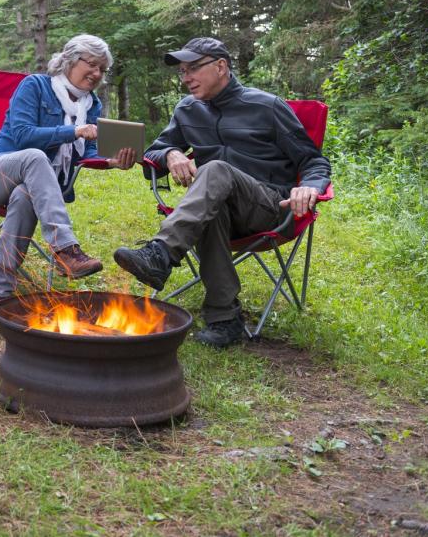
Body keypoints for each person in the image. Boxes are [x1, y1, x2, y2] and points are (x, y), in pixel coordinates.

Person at [112, 37, 331, 347]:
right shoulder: (187, 109)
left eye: (193, 69)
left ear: (221, 66)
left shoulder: (266, 106)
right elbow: (156, 153)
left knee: (213, 169)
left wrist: (309, 187)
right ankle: (224, 319)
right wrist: (172, 153)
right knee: (212, 206)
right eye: (182, 72)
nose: (186, 78)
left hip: (268, 208)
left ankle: (160, 253)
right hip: (214, 207)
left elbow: (313, 161)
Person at [0, 34, 136, 307]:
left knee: (26, 195)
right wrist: (74, 131)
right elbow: (22, 135)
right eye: (92, 65)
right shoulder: (34, 85)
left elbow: (88, 152)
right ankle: (65, 250)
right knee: (36, 157)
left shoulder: (91, 105)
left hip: (32, 187)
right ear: (71, 60)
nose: (97, 74)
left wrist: (110, 161)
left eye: (102, 70)